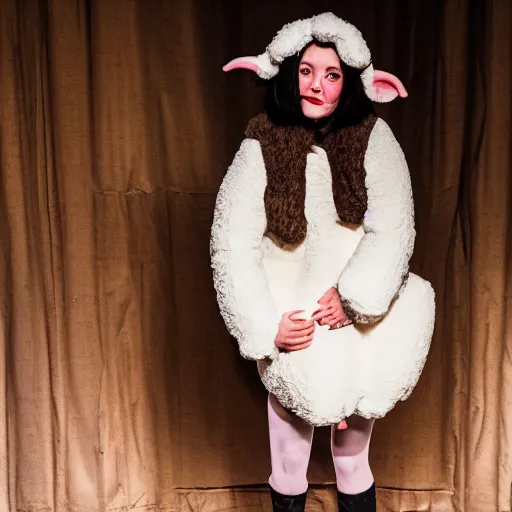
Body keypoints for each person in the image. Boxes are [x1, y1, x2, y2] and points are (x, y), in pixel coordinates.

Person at [210, 12, 435, 512]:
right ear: (290, 74)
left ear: (349, 83)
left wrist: (356, 300)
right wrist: (267, 327)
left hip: (359, 323)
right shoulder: (260, 143)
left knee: (352, 457)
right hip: (295, 320)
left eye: (331, 74)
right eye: (307, 71)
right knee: (289, 459)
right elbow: (231, 241)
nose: (316, 85)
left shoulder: (375, 139)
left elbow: (394, 225)